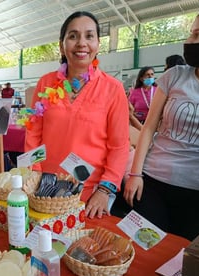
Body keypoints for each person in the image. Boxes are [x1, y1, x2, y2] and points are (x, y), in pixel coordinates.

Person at [124, 2, 199, 241]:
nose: (191, 40)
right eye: (192, 33)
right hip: (153, 183)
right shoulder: (174, 76)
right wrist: (135, 174)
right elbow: (149, 127)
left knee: (184, 262)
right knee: (143, 252)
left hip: (198, 192)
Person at [25, 11, 130, 219]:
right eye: (73, 36)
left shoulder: (113, 88)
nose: (81, 43)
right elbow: (33, 133)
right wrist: (34, 175)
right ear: (62, 45)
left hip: (91, 193)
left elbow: (119, 146)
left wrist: (104, 191)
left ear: (98, 44)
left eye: (89, 36)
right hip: (45, 189)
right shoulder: (45, 84)